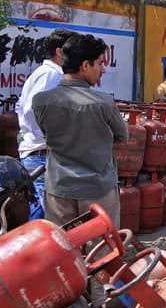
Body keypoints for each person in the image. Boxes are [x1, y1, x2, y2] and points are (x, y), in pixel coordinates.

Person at [32, 33, 128, 227]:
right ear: (85, 66)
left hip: (58, 190)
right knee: (101, 252)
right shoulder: (104, 103)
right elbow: (122, 135)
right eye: (100, 63)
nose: (103, 70)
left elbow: (45, 131)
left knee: (64, 249)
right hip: (97, 191)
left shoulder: (40, 101)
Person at [16, 28, 77, 220]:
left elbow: (22, 107)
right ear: (60, 52)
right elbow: (31, 109)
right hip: (42, 155)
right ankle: (32, 250)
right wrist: (50, 137)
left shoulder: (48, 74)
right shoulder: (51, 75)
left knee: (47, 213)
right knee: (44, 213)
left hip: (42, 153)